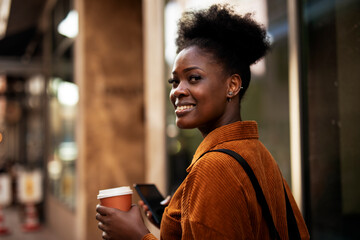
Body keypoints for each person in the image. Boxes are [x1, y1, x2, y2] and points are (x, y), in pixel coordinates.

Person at [96, 4, 310, 240]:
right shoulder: (256, 152)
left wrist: (137, 236)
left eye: (194, 78)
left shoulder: (214, 168)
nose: (178, 91)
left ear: (232, 86)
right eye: (174, 81)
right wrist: (181, 216)